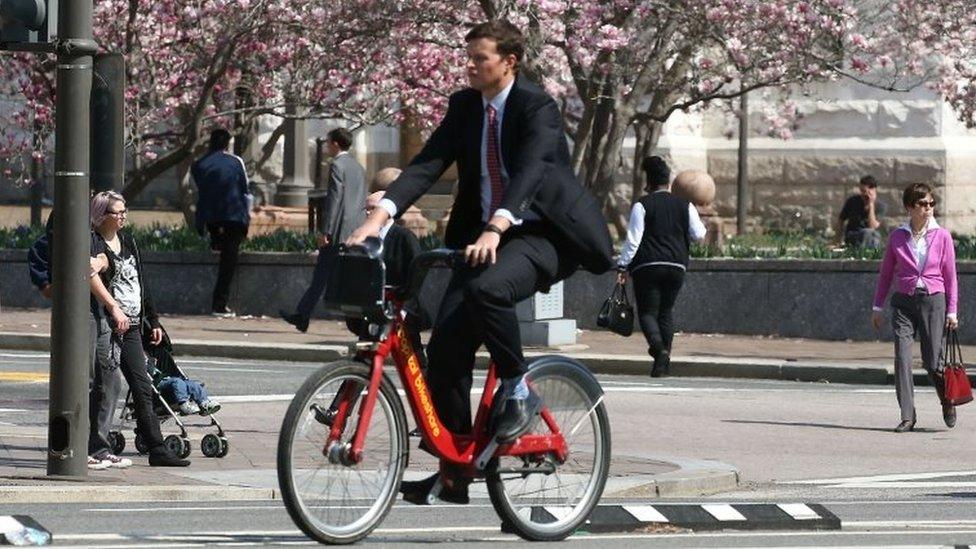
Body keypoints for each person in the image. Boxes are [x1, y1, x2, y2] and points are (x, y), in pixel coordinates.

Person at [346, 20, 613, 503]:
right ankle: (456, 471)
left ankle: (518, 387)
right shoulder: (466, 106)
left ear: (508, 61)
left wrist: (498, 224)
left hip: (543, 233)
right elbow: (427, 163)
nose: (469, 66)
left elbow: (532, 171)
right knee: (445, 358)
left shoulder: (538, 107)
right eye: (467, 57)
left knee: (489, 290)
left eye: (479, 58)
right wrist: (379, 219)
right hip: (481, 239)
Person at [89, 191, 190, 466]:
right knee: (106, 385)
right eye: (117, 212)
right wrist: (113, 308)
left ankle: (157, 449)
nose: (123, 216)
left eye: (124, 211)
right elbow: (91, 273)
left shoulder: (129, 240)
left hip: (132, 325)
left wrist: (153, 321)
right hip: (107, 325)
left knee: (142, 385)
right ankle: (95, 446)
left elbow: (142, 283)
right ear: (101, 215)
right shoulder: (94, 241)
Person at [27, 212, 130, 470]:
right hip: (79, 316)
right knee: (85, 380)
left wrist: (101, 262)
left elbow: (110, 260)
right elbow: (48, 289)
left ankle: (101, 446)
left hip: (102, 313)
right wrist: (75, 268)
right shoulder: (44, 248)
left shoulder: (95, 239)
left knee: (111, 380)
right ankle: (80, 447)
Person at [871, 182, 959, 432]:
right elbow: (886, 274)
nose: (928, 208)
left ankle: (947, 400)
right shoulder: (898, 236)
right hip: (904, 303)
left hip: (934, 301)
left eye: (931, 203)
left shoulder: (942, 236)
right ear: (910, 207)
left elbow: (950, 276)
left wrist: (952, 311)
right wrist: (877, 307)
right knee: (902, 358)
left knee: (933, 364)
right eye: (922, 204)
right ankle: (908, 415)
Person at [616, 156, 707, 378]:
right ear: (668, 182)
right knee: (665, 312)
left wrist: (622, 265)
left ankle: (659, 351)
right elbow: (699, 234)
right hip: (676, 265)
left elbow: (634, 240)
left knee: (647, 313)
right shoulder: (685, 205)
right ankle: (662, 364)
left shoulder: (642, 205)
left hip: (647, 266)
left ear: (649, 183)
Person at [281, 127, 366, 332]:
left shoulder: (337, 164)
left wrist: (326, 231)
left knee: (322, 275)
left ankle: (303, 315)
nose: (327, 147)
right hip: (357, 229)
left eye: (328, 143)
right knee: (346, 276)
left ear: (336, 144)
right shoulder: (358, 167)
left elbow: (334, 199)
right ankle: (304, 315)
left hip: (338, 230)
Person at [192, 128, 252, 317]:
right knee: (229, 260)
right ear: (227, 143)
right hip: (234, 216)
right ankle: (219, 304)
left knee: (219, 248)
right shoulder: (236, 162)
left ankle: (215, 243)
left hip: (211, 218)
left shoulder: (199, 164)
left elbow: (198, 190)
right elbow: (244, 188)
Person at [149, 362, 221, 416]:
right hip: (159, 386)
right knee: (177, 382)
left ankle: (204, 404)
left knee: (194, 385)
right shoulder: (142, 363)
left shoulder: (153, 359)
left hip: (169, 380)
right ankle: (183, 405)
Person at [837, 175, 886, 249]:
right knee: (867, 233)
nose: (863, 195)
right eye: (862, 191)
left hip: (872, 237)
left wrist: (871, 205)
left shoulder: (880, 206)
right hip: (853, 235)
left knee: (870, 233)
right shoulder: (852, 201)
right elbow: (841, 220)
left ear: (873, 189)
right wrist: (837, 240)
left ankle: (868, 256)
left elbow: (872, 227)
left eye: (865, 191)